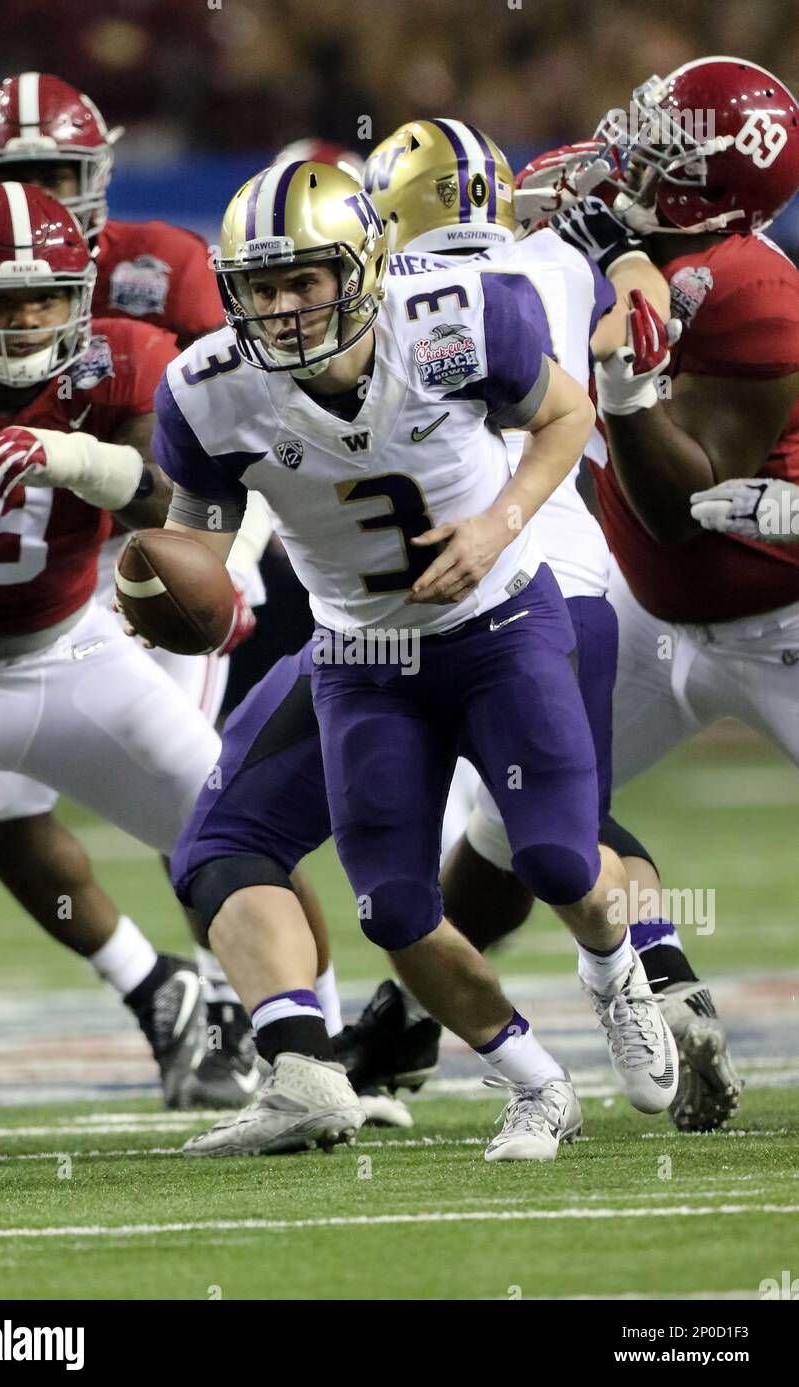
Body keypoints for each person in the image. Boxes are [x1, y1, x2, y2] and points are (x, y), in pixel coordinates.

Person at [139, 159, 678, 1162]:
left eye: (305, 280)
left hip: (500, 621)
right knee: (392, 905)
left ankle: (618, 981)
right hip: (361, 654)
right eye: (261, 287)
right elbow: (199, 533)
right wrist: (171, 595)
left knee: (556, 856)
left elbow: (565, 416)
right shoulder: (209, 392)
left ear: (366, 266)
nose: (285, 307)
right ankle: (533, 1082)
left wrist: (498, 523)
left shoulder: (459, 316)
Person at [343, 115, 740, 1133]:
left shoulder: (381, 301)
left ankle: (623, 977)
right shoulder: (566, 256)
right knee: (548, 819)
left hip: (464, 580)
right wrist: (628, 257)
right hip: (583, 565)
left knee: (514, 825)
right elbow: (642, 317)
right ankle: (646, 974)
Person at [0, 72, 292, 1105]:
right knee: (2, 807)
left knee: (201, 815)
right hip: (2, 563)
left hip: (145, 551)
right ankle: (165, 996)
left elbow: (227, 446)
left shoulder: (161, 270)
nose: (43, 195)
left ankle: (251, 1015)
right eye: (18, 177)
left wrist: (215, 554)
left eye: (59, 172)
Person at [531, 55, 799, 1128]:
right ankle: (658, 976)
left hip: (774, 620)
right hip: (651, 610)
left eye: (663, 143)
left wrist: (626, 389)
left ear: (714, 191)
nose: (629, 148)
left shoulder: (750, 294)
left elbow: (675, 503)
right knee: (510, 817)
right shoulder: (608, 218)